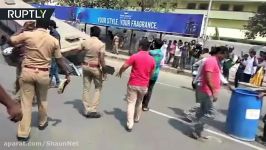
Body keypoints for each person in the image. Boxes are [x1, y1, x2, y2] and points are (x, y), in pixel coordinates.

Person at [8, 19, 71, 141]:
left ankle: (23, 132)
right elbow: (59, 59)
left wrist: (22, 29)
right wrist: (67, 73)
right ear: (48, 27)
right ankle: (42, 122)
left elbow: (11, 41)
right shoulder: (53, 40)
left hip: (27, 72)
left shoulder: (28, 35)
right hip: (43, 73)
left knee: (26, 102)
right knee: (43, 100)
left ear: (36, 25)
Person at [190, 46, 229, 139]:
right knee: (212, 113)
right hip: (206, 90)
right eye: (225, 55)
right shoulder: (211, 61)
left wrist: (227, 85)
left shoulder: (217, 62)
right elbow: (208, 78)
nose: (225, 57)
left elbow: (218, 75)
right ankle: (196, 127)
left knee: (203, 111)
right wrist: (214, 91)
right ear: (220, 53)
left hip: (206, 90)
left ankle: (197, 131)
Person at [117, 38, 155, 132]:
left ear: (141, 47)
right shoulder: (152, 59)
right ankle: (137, 118)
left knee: (131, 103)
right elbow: (152, 74)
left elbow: (125, 66)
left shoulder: (135, 56)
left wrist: (120, 72)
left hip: (133, 83)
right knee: (139, 102)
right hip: (144, 85)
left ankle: (130, 124)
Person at [79, 26, 107, 118]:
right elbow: (102, 59)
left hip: (85, 66)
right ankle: (93, 109)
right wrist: (105, 71)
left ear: (91, 33)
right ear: (99, 34)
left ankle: (86, 110)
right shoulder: (101, 44)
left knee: (86, 88)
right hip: (95, 68)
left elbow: (79, 51)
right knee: (98, 88)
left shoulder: (85, 42)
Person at [142, 38, 164, 111]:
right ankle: (145, 105)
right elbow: (161, 64)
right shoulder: (162, 54)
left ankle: (140, 102)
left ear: (154, 44)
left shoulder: (150, 52)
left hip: (147, 72)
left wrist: (150, 47)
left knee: (144, 87)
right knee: (150, 89)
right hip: (155, 73)